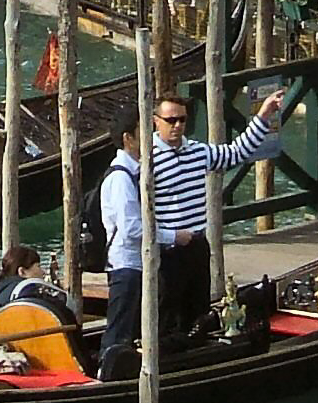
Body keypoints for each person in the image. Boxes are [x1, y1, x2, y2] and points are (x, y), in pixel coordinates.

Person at [147, 90, 283, 342]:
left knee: (197, 313)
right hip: (167, 251)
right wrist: (168, 237)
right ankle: (164, 355)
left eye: (182, 120)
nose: (177, 125)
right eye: (171, 120)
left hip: (197, 246)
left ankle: (196, 352)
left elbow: (237, 152)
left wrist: (264, 115)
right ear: (156, 121)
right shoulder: (147, 160)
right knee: (166, 314)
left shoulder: (197, 152)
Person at [95, 124, 145, 381]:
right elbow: (131, 228)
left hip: (135, 263)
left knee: (129, 326)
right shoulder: (121, 179)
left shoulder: (135, 172)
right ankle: (106, 376)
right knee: (119, 328)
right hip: (125, 263)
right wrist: (171, 235)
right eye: (143, 131)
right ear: (128, 138)